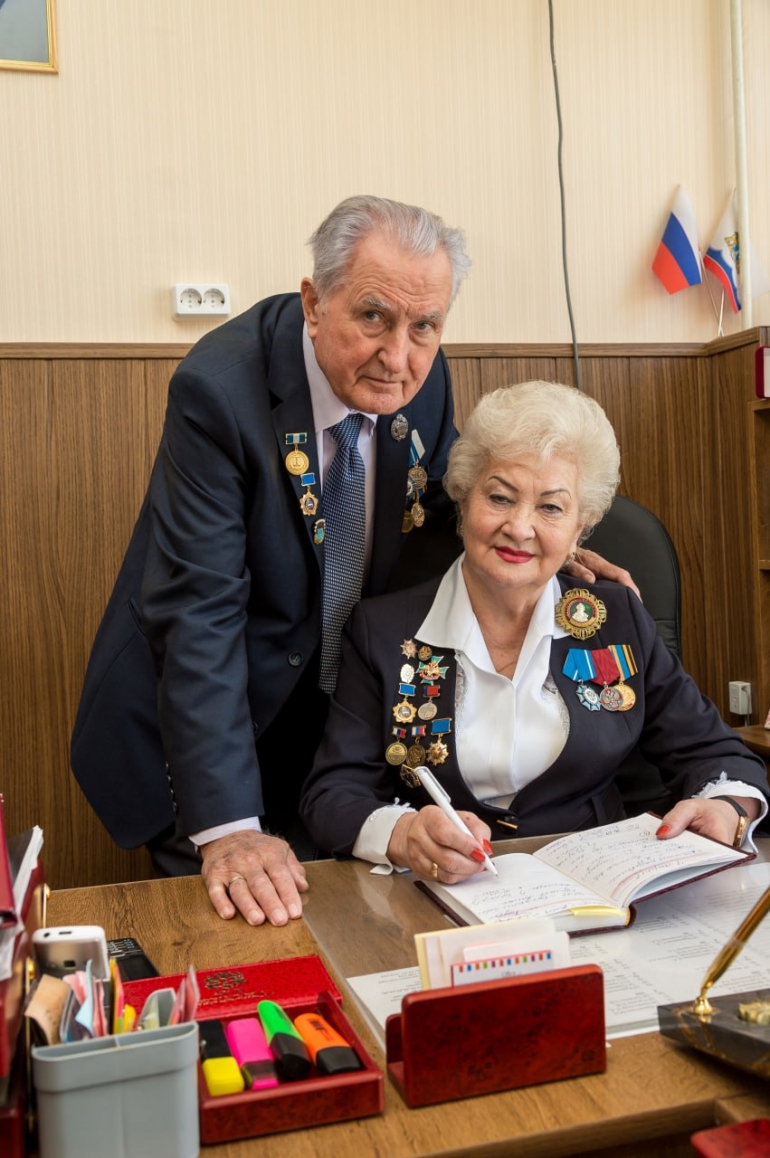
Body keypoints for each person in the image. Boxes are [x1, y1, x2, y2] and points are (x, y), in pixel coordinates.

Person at [70, 197, 632, 928]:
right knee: (240, 932)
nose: (398, 357)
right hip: (204, 729)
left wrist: (543, 546)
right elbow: (198, 612)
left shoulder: (423, 376)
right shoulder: (220, 391)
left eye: (424, 326)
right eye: (373, 317)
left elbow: (445, 498)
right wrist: (229, 827)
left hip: (333, 735)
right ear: (314, 303)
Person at [300, 381, 769, 881]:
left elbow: (716, 754)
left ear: (580, 526)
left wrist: (728, 808)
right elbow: (332, 794)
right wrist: (404, 833)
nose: (520, 527)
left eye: (551, 508)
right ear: (463, 500)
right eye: (500, 498)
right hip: (439, 888)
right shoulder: (382, 629)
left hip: (597, 884)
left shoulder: (616, 619)